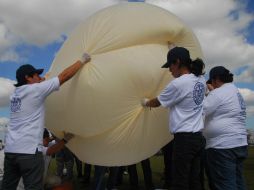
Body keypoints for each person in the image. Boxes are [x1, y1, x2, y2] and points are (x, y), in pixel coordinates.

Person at [2, 52, 91, 190]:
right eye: (36, 75)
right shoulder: (35, 90)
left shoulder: (15, 95)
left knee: (8, 187)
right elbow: (63, 77)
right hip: (29, 152)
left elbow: (35, 87)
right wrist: (82, 61)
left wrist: (41, 80)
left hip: (11, 151)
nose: (40, 77)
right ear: (28, 77)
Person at [141, 46, 206, 190]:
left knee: (180, 181)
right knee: (194, 181)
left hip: (184, 140)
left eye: (170, 65)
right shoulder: (200, 79)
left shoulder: (178, 84)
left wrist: (145, 102)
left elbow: (157, 102)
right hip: (198, 138)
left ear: (177, 62)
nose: (169, 70)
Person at [203, 66, 248, 190]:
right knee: (238, 182)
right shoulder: (234, 91)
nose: (211, 84)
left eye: (211, 81)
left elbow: (200, 111)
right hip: (238, 143)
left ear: (216, 79)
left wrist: (208, 94)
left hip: (222, 146)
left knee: (225, 184)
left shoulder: (219, 93)